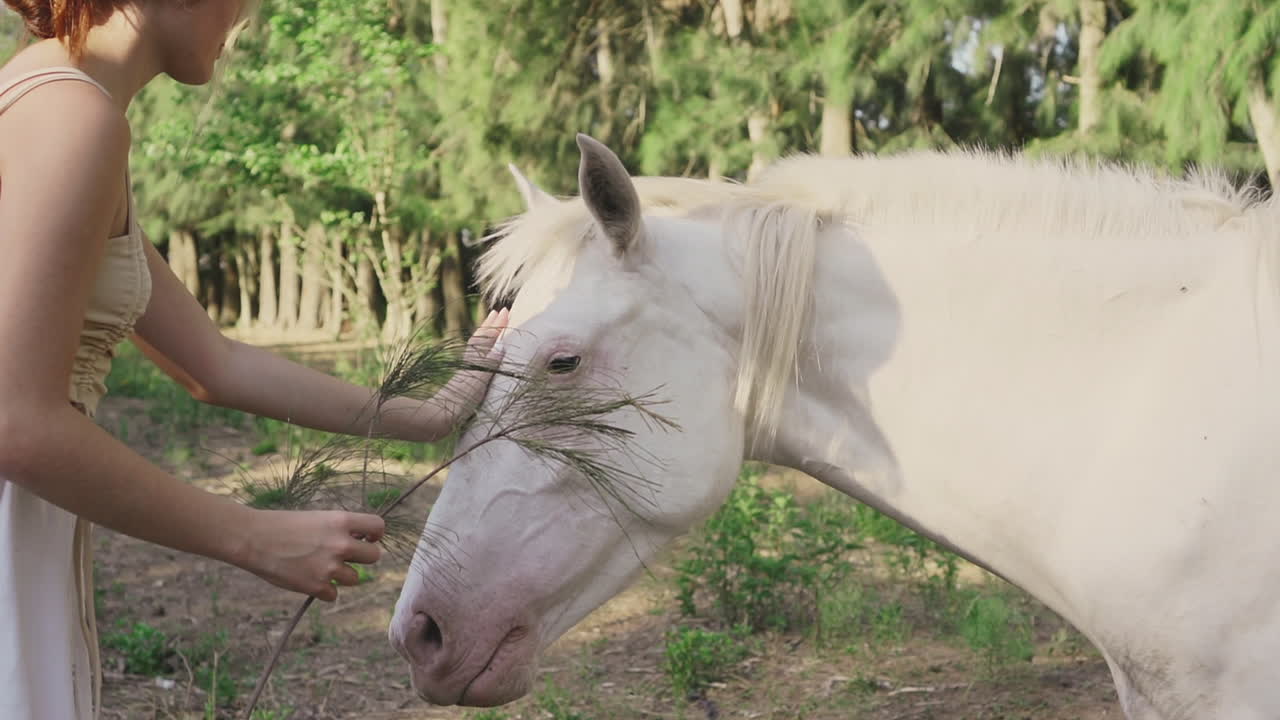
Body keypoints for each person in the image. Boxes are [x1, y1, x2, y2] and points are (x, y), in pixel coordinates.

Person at [0, 1, 509, 718]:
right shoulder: (72, 118)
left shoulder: (51, 99)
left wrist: (427, 415)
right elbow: (17, 421)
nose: (248, 15)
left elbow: (212, 362)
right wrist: (255, 536)